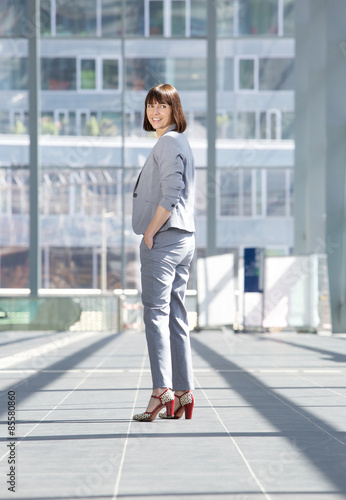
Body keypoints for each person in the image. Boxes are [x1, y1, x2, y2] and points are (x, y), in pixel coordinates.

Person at [132, 83, 195, 422]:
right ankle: (183, 392)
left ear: (175, 111)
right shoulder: (180, 142)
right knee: (176, 317)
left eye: (162, 107)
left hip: (166, 238)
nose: (155, 112)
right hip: (185, 239)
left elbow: (172, 190)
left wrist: (151, 232)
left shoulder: (169, 143)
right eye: (151, 106)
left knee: (155, 315)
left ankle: (161, 391)